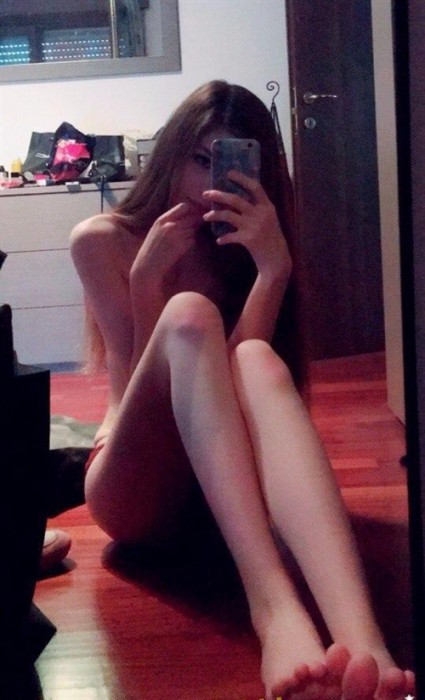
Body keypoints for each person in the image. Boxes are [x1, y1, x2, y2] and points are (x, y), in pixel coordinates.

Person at [69, 81, 415, 700]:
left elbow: (235, 392)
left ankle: (365, 643)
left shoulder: (244, 246)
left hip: (223, 491)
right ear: (171, 153)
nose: (209, 182)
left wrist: (272, 268)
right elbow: (134, 393)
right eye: (199, 159)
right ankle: (275, 609)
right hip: (132, 485)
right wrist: (147, 282)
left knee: (253, 357)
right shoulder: (103, 240)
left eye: (229, 162)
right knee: (190, 315)